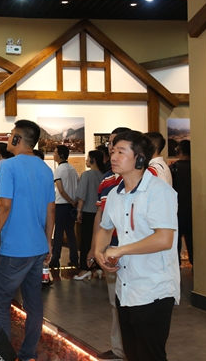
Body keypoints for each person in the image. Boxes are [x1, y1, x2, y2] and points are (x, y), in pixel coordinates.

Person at [95, 130, 179, 361]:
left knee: (150, 354)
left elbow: (164, 239)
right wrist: (99, 251)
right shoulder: (115, 194)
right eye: (113, 151)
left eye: (121, 152)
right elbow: (105, 228)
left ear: (140, 158)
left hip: (154, 288)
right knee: (132, 353)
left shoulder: (159, 191)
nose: (113, 157)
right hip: (126, 287)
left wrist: (120, 250)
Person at [0, 120, 55, 361]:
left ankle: (2, 355)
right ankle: (28, 353)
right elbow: (51, 209)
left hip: (14, 248)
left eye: (11, 134)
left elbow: (5, 205)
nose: (9, 138)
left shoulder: (9, 166)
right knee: (33, 303)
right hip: (37, 247)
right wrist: (48, 242)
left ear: (17, 138)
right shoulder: (45, 169)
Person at [88, 127, 130, 360]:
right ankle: (119, 349)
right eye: (111, 146)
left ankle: (133, 350)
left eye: (119, 146)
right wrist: (95, 248)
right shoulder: (106, 181)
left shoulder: (148, 182)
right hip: (111, 252)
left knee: (137, 306)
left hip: (135, 254)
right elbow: (101, 217)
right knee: (115, 302)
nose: (112, 150)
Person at [73, 150, 104, 280]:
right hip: (101, 213)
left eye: (88, 158)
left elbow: (82, 195)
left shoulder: (87, 175)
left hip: (88, 212)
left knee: (86, 241)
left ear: (93, 160)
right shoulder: (105, 175)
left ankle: (85, 268)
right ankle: (98, 266)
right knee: (99, 240)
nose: (86, 160)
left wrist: (79, 211)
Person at [49, 144, 79, 268]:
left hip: (62, 205)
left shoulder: (59, 170)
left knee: (59, 233)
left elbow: (60, 190)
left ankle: (55, 259)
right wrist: (73, 202)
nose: (53, 155)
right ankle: (74, 258)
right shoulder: (73, 169)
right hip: (72, 206)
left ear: (60, 155)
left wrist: (70, 201)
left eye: (55, 152)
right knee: (70, 232)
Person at [170, 140, 193, 265]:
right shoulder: (194, 167)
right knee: (193, 242)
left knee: (175, 244)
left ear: (178, 151)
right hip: (192, 210)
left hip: (176, 211)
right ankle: (196, 267)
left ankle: (176, 268)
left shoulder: (173, 168)